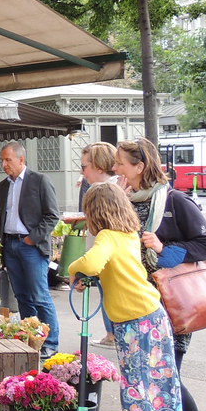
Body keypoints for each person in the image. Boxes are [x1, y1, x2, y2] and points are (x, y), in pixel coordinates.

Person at [68, 181, 192, 411]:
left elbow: (93, 262)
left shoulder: (108, 236)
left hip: (136, 324)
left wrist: (73, 268)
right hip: (154, 317)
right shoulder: (127, 235)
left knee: (137, 396)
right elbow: (112, 270)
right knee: (161, 390)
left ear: (96, 214)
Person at [105, 137, 206, 411]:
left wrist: (164, 249)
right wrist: (118, 202)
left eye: (120, 163)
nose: (115, 168)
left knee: (169, 379)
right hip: (137, 304)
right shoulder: (126, 199)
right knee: (148, 382)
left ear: (139, 166)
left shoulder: (175, 202)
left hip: (171, 304)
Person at [0, 141, 61, 359]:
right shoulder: (3, 186)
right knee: (22, 297)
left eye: (8, 160)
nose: (4, 164)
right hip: (10, 246)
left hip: (30, 246)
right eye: (3, 160)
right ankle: (30, 337)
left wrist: (32, 239)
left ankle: (50, 343)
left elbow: (52, 215)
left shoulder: (39, 180)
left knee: (39, 296)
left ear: (21, 159)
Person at [80, 142, 124, 345]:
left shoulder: (107, 190)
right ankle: (113, 334)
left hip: (107, 257)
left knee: (110, 296)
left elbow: (106, 229)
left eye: (85, 166)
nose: (83, 172)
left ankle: (113, 334)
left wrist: (80, 270)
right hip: (104, 256)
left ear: (98, 166)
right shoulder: (112, 186)